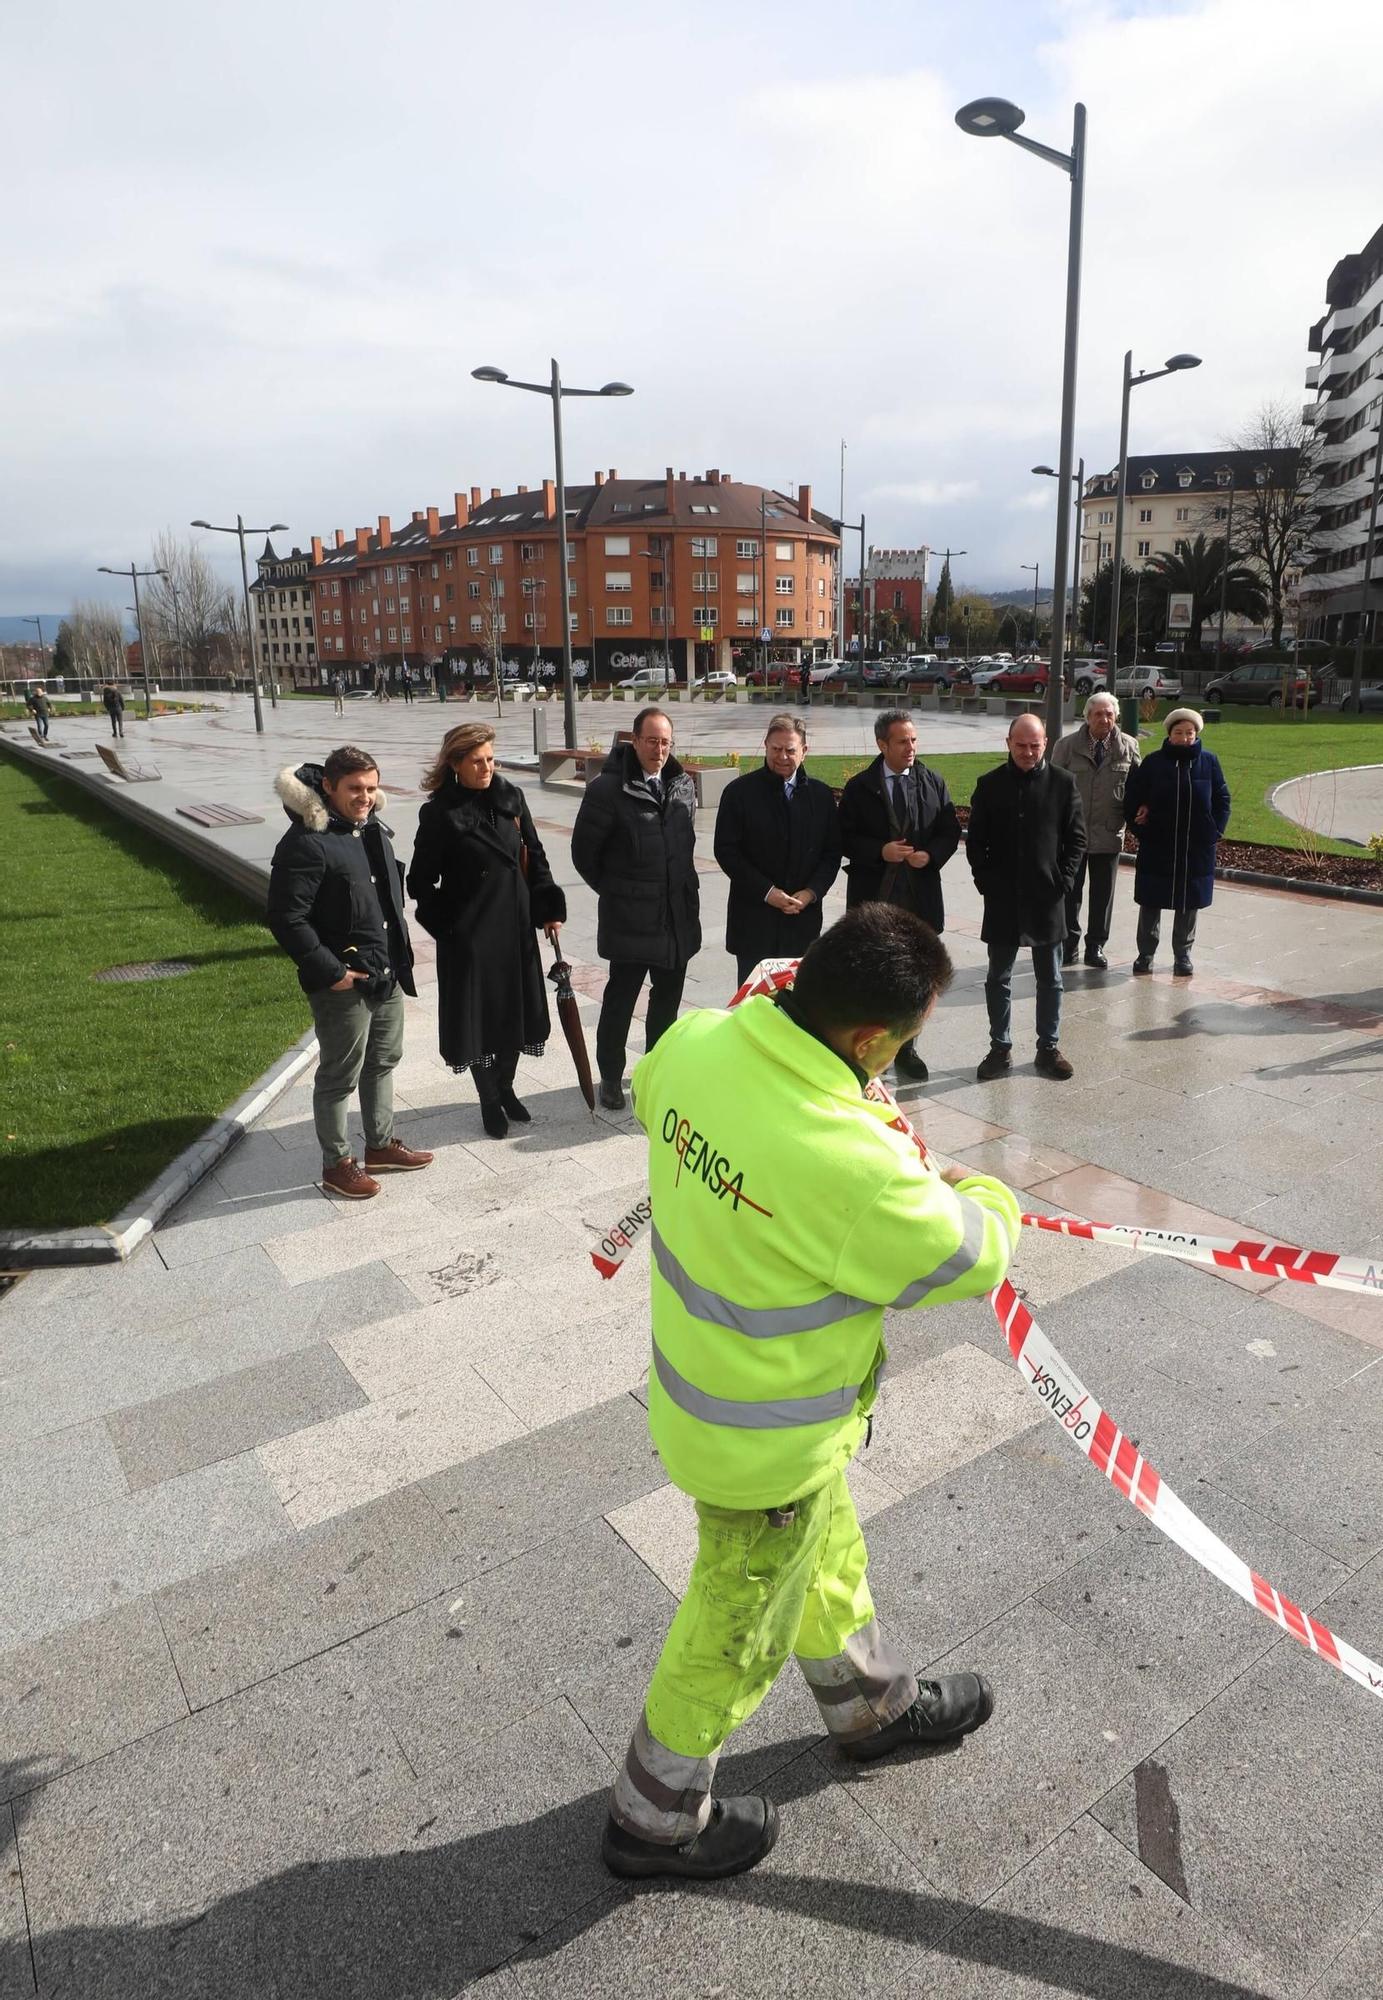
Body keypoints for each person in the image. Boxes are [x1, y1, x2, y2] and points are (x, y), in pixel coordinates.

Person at [601, 904, 1021, 1882]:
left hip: (716, 1396)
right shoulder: (852, 1163)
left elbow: (658, 1090)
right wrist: (987, 1189)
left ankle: (868, 1707)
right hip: (765, 1442)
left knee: (825, 1553)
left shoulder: (696, 1041)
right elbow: (970, 1249)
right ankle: (650, 1818)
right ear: (871, 1037)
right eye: (902, 1042)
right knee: (733, 1622)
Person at [267, 745, 432, 1199]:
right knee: (340, 1074)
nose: (365, 797)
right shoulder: (306, 841)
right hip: (344, 984)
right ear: (328, 787)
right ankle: (337, 1163)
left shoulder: (371, 828)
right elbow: (286, 918)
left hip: (385, 973)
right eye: (355, 789)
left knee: (383, 1062)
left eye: (372, 788)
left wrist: (398, 960)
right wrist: (332, 971)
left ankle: (379, 1145)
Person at [407, 722, 567, 1139]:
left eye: (491, 759)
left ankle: (506, 1086)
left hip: (515, 929)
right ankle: (489, 1098)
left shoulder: (511, 799)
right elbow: (420, 882)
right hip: (470, 939)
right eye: (477, 761)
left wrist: (548, 907)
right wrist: (449, 925)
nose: (486, 768)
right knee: (479, 1020)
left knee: (515, 1013)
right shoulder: (440, 813)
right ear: (455, 762)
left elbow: (538, 856)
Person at [571, 707, 700, 1111]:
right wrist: (618, 891)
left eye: (665, 742)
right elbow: (583, 854)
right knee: (621, 1000)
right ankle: (610, 1075)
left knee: (667, 1001)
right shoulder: (607, 789)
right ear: (635, 740)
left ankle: (656, 1070)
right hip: (630, 919)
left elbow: (685, 845)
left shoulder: (682, 784)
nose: (659, 749)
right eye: (651, 740)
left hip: (676, 916)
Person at [836, 710, 960, 1083]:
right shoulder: (860, 787)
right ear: (882, 744)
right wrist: (879, 851)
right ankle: (866, 1049)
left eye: (914, 740)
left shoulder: (932, 782)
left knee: (915, 978)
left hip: (919, 898)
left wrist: (931, 855)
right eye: (903, 741)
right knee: (873, 974)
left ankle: (908, 1050)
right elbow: (843, 837)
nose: (911, 748)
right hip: (875, 897)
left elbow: (949, 830)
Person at [966, 713, 1085, 1082]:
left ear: (1045, 743)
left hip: (1046, 898)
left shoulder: (1064, 784)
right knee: (997, 977)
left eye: (1035, 745)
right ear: (1008, 742)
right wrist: (985, 880)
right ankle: (999, 1048)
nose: (1028, 752)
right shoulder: (989, 785)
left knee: (1050, 978)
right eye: (1021, 745)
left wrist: (1063, 881)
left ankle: (1048, 1048)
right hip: (1002, 899)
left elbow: (1076, 840)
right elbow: (975, 842)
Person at [712, 713, 841, 987]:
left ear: (804, 752)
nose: (782, 756)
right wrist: (768, 893)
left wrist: (811, 893)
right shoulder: (739, 793)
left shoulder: (820, 796)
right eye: (776, 749)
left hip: (802, 924)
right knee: (754, 1013)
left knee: (798, 1012)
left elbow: (831, 854)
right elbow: (727, 852)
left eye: (790, 750)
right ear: (766, 746)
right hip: (754, 924)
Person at [1124, 706, 1231, 978]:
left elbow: (1222, 799)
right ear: (1170, 734)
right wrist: (1141, 826)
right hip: (1158, 845)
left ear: (1196, 735)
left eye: (1189, 733)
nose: (1184, 738)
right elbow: (1133, 797)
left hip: (1195, 848)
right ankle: (1145, 954)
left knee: (1188, 903)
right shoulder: (1154, 762)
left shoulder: (1209, 762)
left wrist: (1214, 830)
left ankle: (1182, 954)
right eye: (1179, 732)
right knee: (1151, 902)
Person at [1049, 690, 1140, 970]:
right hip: (1072, 835)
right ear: (1087, 717)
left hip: (1109, 832)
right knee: (1069, 893)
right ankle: (1069, 945)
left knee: (1103, 895)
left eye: (1109, 714)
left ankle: (1096, 945)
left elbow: (1138, 787)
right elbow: (1051, 788)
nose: (1104, 719)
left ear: (1116, 717)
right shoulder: (1066, 746)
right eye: (1098, 714)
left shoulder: (1129, 746)